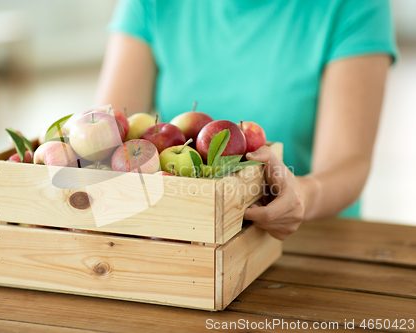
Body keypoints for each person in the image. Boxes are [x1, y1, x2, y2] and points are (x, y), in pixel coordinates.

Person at [94, 0, 397, 240]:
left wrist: (302, 195)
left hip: (312, 242)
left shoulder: (353, 4)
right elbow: (108, 138)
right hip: (183, 234)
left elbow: (348, 160)